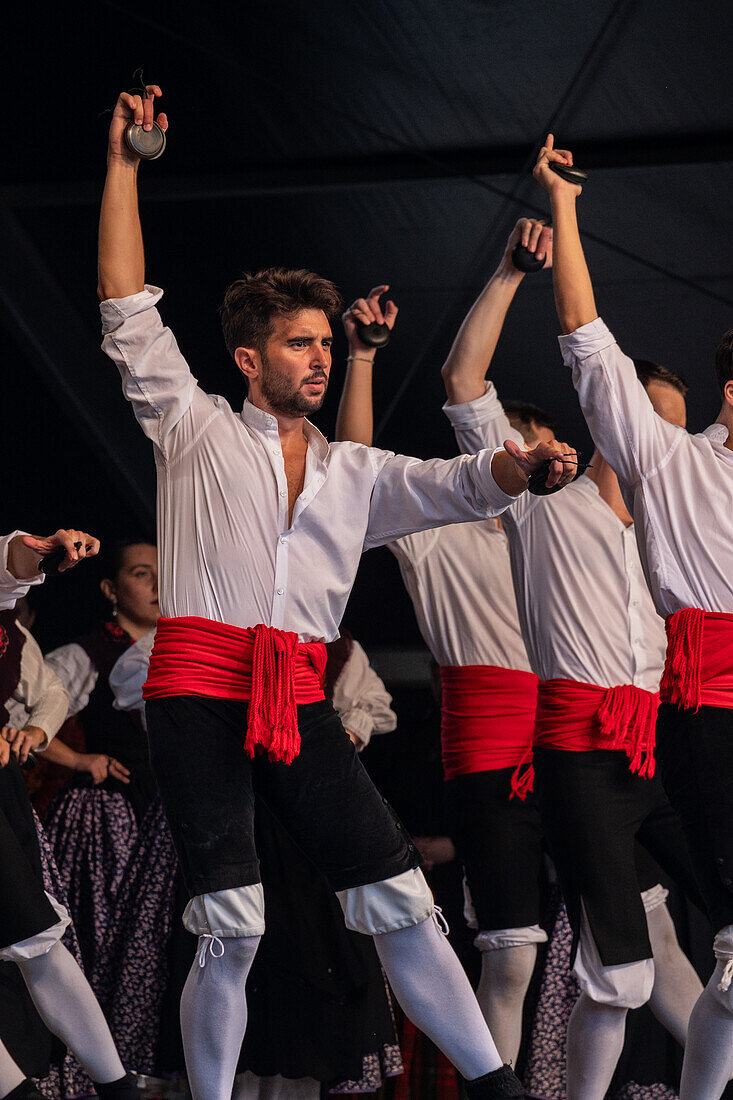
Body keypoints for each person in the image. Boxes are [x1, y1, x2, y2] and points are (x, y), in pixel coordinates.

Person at [97, 83, 578, 1100]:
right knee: (232, 923)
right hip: (197, 691)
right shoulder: (192, 428)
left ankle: (493, 1085)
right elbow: (125, 304)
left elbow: (453, 481)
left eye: (326, 343)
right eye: (300, 344)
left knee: (402, 895)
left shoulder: (352, 471)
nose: (320, 358)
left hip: (298, 698)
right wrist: (126, 167)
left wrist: (521, 467)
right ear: (247, 357)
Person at [433, 219, 705, 1100]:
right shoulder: (541, 502)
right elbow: (462, 385)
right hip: (577, 749)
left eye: (672, 427)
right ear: (605, 419)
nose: (655, 445)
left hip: (659, 749)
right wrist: (511, 274)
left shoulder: (682, 526)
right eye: (639, 420)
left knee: (696, 943)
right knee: (616, 971)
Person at [533, 131, 733, 1100]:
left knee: (724, 963)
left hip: (686, 721)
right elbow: (583, 334)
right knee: (658, 959)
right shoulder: (671, 461)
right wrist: (565, 210)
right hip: (697, 716)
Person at [334, 254, 550, 1069]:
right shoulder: (438, 531)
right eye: (505, 451)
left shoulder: (566, 533)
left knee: (632, 934)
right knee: (511, 949)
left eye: (529, 453)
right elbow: (353, 471)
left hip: (573, 736)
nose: (519, 464)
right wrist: (362, 359)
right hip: (490, 744)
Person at [108, 629, 402, 1096]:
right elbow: (133, 685)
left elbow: (374, 705)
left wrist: (340, 731)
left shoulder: (330, 644)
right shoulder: (187, 632)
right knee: (218, 946)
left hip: (296, 831)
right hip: (221, 814)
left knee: (302, 963)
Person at [0, 527, 139, 1100]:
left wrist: (43, 551)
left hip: (3, 790)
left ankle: (117, 1088)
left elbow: (10, 560)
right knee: (35, 937)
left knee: (35, 935)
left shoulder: (11, 629)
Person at [42, 539, 158, 994]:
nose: (156, 585)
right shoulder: (84, 655)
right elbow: (20, 718)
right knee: (104, 938)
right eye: (141, 573)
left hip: (161, 817)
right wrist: (78, 759)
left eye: (162, 573)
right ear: (111, 589)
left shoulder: (183, 650)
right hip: (109, 824)